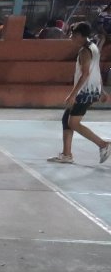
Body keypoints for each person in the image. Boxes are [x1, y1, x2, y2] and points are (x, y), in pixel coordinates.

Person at [48, 22, 110, 165]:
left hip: (85, 92)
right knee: (66, 120)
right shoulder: (93, 47)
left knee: (73, 123)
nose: (71, 37)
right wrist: (101, 90)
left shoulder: (84, 52)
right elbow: (96, 71)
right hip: (92, 90)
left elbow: (85, 74)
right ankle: (66, 154)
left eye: (73, 35)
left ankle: (103, 145)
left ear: (81, 36)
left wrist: (73, 94)